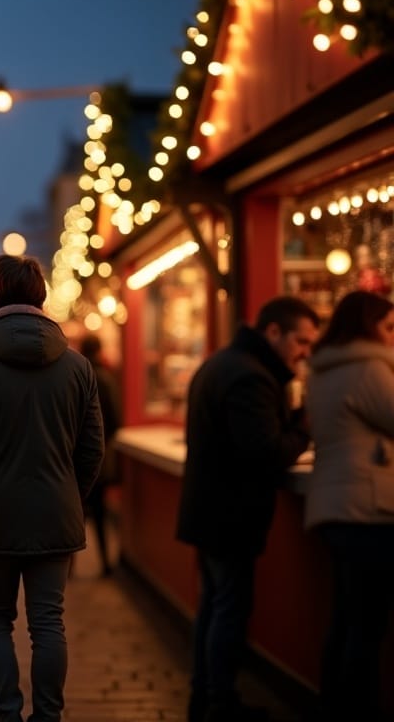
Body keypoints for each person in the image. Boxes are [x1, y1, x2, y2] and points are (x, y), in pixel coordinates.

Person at [0, 254, 103, 722]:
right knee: (48, 621)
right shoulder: (77, 367)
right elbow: (92, 451)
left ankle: (6, 713)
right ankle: (48, 716)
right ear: (41, 295)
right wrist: (69, 492)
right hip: (56, 511)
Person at [177, 295, 319, 722]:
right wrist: (303, 428)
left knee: (213, 605)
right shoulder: (251, 378)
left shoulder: (226, 363)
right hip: (231, 515)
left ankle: (204, 696)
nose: (306, 352)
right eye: (301, 341)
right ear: (273, 332)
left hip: (210, 510)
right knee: (228, 608)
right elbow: (265, 452)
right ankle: (220, 702)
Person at [304, 290, 394, 722]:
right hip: (365, 507)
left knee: (345, 618)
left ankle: (333, 707)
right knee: (367, 625)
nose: (393, 337)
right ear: (367, 327)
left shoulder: (324, 369)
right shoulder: (369, 369)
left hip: (333, 506)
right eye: (389, 327)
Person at [79, 334, 123, 577]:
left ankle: (69, 566)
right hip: (100, 456)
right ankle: (106, 562)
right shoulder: (104, 379)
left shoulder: (74, 376)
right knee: (100, 510)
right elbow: (116, 419)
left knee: (76, 512)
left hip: (73, 457)